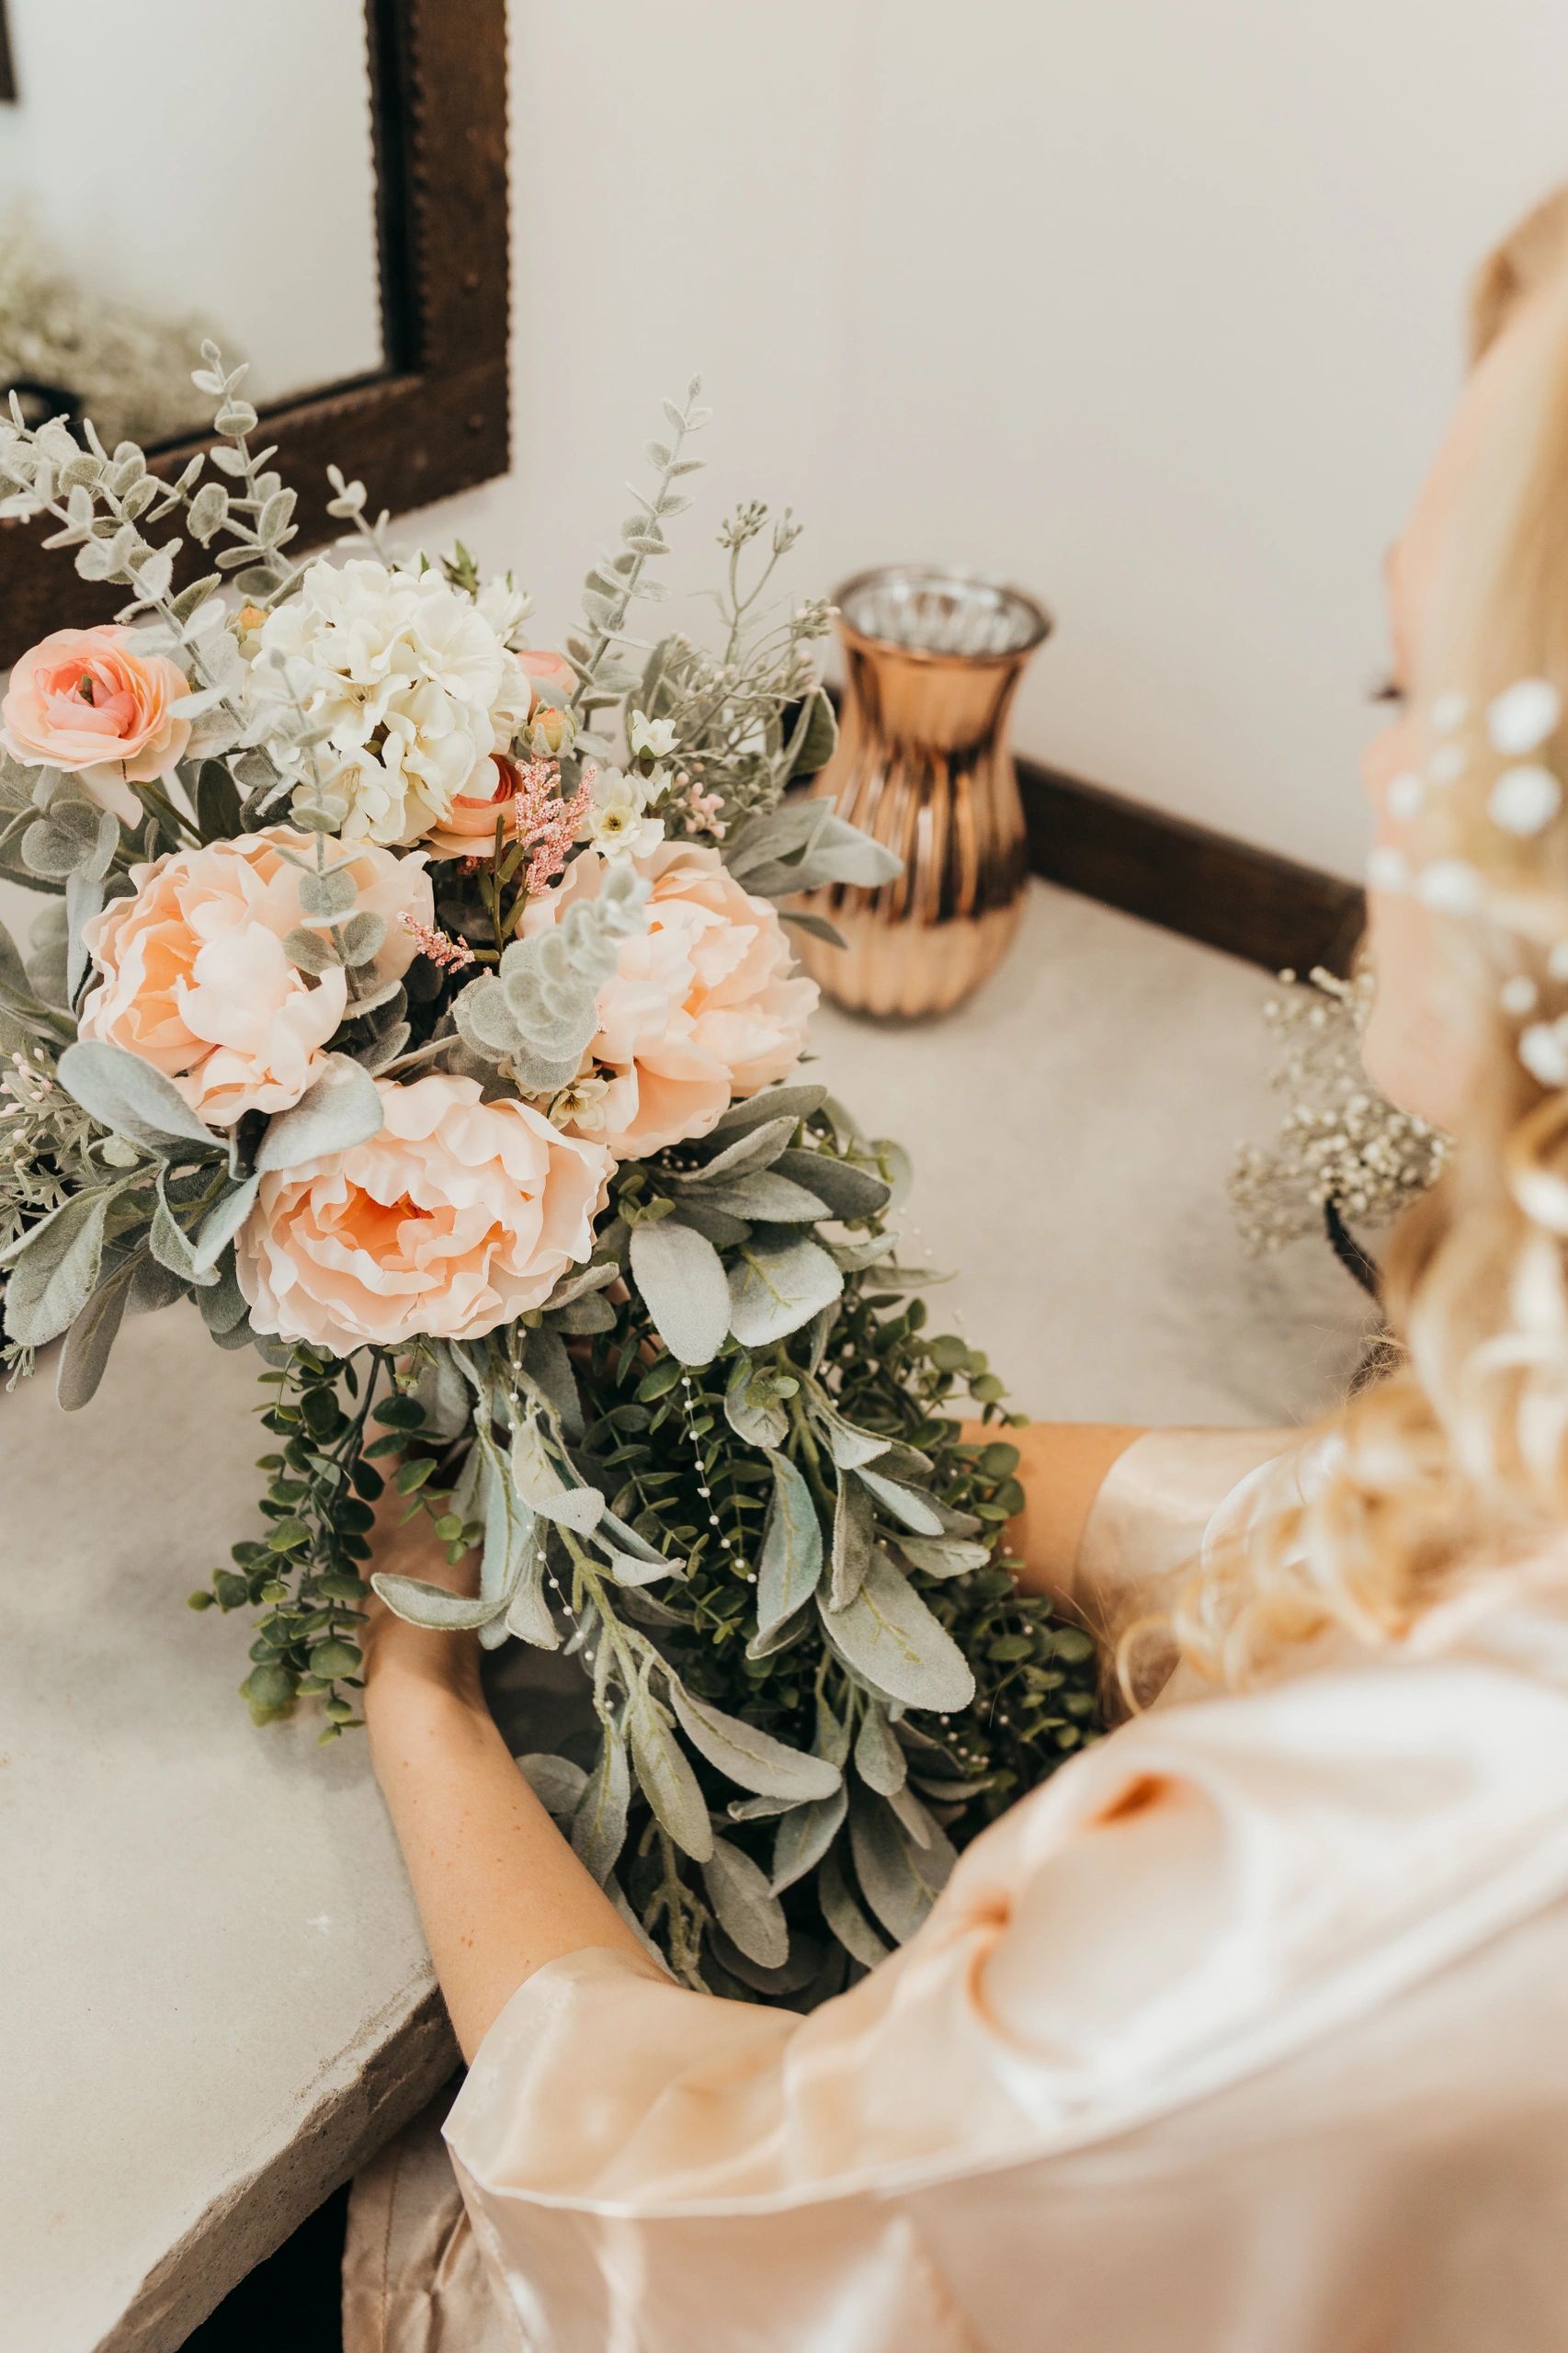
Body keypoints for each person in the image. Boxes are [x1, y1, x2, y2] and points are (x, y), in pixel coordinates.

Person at [341, 188, 1568, 2352]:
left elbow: (687, 2226)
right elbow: (1347, 1527)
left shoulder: (1375, 1891)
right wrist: (843, 1449)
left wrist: (418, 1702)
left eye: (1419, 686)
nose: (1367, 769)